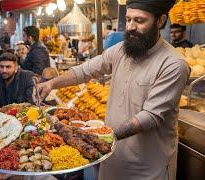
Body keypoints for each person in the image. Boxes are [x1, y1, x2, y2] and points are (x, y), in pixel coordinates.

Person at [36, 0, 189, 179]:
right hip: (112, 158)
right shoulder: (121, 50)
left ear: (161, 21)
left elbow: (150, 116)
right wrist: (51, 83)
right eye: (129, 19)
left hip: (147, 167)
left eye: (139, 21)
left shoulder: (173, 64)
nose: (130, 27)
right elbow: (84, 71)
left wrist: (102, 136)